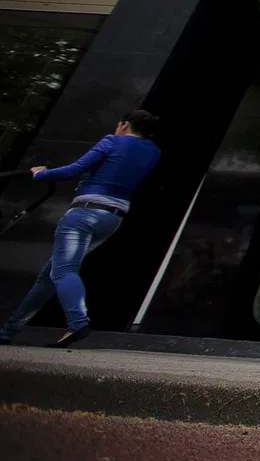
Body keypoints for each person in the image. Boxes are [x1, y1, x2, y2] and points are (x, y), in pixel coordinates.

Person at [0, 109, 163, 348]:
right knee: (50, 274)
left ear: (124, 124)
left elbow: (73, 170)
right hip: (113, 218)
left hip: (85, 211)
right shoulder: (153, 152)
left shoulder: (112, 141)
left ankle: (78, 321)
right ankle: (8, 331)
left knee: (63, 270)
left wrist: (41, 174)